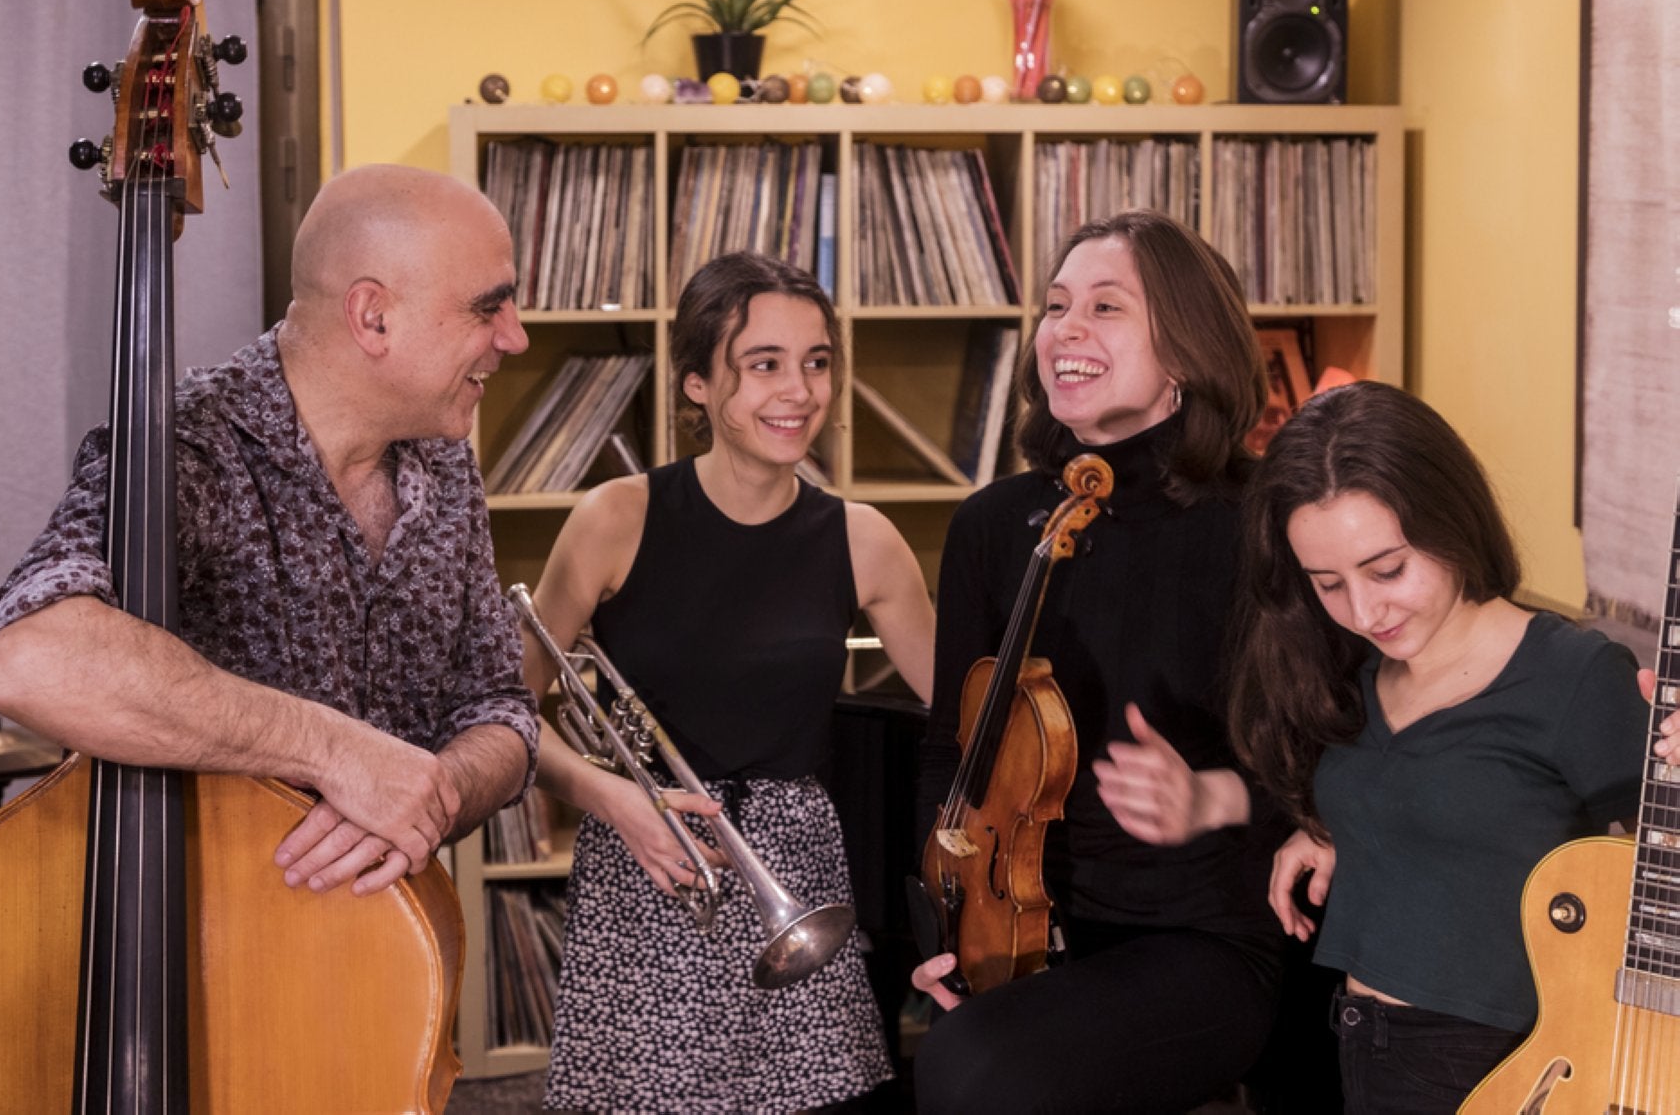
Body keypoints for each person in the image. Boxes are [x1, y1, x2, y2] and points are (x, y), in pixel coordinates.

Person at [0, 164, 539, 893]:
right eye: (486, 308)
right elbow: (28, 659)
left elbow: (500, 707)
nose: (515, 337)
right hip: (214, 944)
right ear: (373, 317)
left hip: (392, 951)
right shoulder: (188, 448)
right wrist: (338, 753)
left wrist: (434, 791)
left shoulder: (443, 454)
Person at [520, 250, 937, 1112]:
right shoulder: (615, 517)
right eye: (764, 364)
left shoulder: (863, 539)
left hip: (800, 870)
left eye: (817, 362)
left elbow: (970, 714)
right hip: (652, 861)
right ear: (698, 386)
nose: (799, 391)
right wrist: (610, 797)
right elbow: (509, 714)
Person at [912, 210, 1284, 1112]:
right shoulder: (996, 525)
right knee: (955, 1056)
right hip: (1024, 921)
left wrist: (1211, 797)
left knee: (985, 1075)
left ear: (1187, 354)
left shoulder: (1261, 523)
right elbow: (950, 760)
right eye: (1055, 306)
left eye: (1106, 308)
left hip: (1204, 935)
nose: (1065, 330)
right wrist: (944, 919)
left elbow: (1342, 760)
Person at [1227, 379, 1680, 1113]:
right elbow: (1440, 801)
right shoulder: (1355, 666)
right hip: (1355, 1049)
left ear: (1450, 521)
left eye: (1388, 570)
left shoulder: (1576, 677)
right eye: (1328, 583)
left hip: (1508, 1066)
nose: (1365, 610)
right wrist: (1335, 826)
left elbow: (1660, 890)